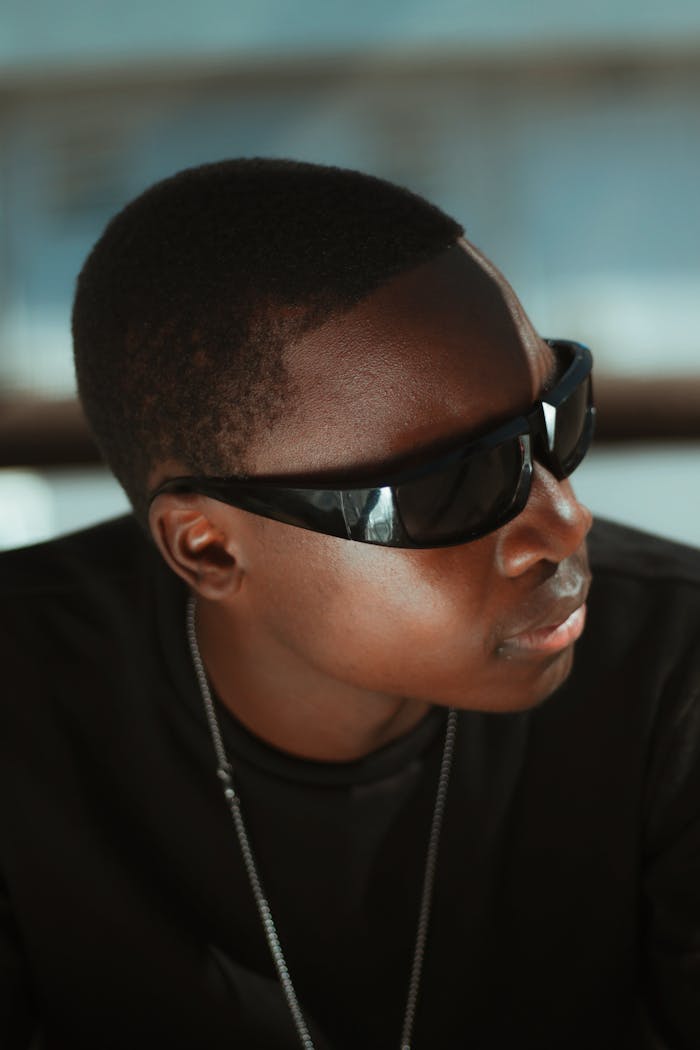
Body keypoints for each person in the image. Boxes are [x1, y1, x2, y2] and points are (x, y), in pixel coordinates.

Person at [1, 159, 698, 1050]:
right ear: (208, 548)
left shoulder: (679, 672)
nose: (564, 521)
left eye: (556, 420)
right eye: (450, 486)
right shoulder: (21, 699)